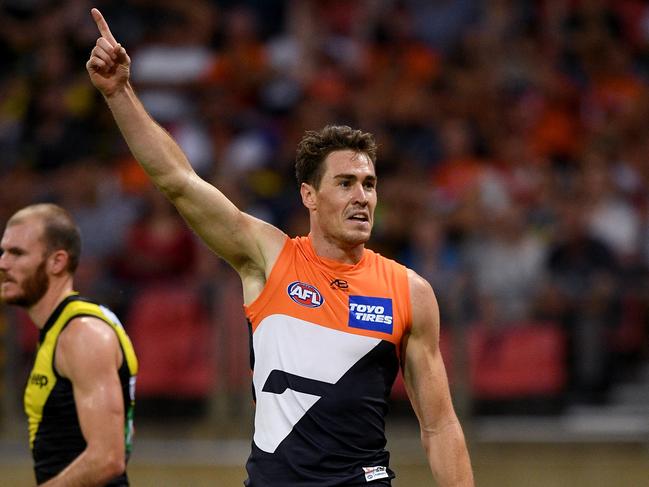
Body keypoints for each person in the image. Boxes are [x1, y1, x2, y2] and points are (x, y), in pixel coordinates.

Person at [86, 7, 473, 487]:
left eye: (369, 184)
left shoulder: (409, 291)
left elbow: (440, 425)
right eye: (346, 183)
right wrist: (119, 93)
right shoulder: (270, 258)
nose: (362, 197)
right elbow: (178, 181)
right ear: (309, 195)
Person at [0, 203, 138, 486]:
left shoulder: (82, 335)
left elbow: (108, 458)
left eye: (17, 253)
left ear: (57, 262)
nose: (3, 263)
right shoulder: (62, 328)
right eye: (3, 251)